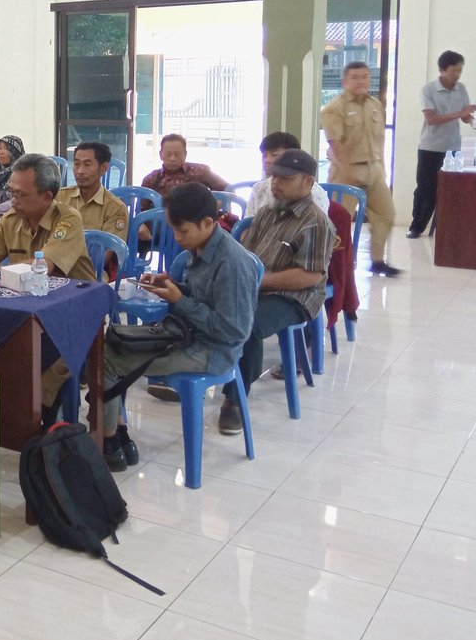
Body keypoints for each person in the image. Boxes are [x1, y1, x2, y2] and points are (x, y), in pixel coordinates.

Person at [100, 183, 257, 470]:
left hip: (213, 350)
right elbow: (203, 295)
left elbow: (234, 331)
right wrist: (173, 286)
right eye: (174, 229)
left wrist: (179, 300)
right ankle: (118, 434)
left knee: (108, 360)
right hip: (189, 334)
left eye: (182, 231)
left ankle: (108, 441)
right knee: (112, 342)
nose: (177, 237)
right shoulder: (203, 246)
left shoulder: (232, 263)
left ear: (208, 223)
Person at [220, 149, 335, 433]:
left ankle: (234, 401)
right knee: (199, 301)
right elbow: (247, 254)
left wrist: (260, 281)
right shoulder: (268, 213)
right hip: (257, 287)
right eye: (274, 177)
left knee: (246, 322)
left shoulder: (316, 223)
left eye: (285, 178)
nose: (276, 184)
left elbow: (308, 277)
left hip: (294, 298)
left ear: (308, 182)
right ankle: (191, 372)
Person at [0, 153, 96, 424]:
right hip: (28, 314)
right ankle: (9, 425)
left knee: (44, 368)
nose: (13, 200)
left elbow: (42, 266)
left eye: (22, 194)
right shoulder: (11, 220)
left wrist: (4, 274)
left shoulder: (68, 220)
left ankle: (48, 433)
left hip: (73, 315)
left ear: (47, 197)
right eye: (12, 192)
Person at [321, 62, 399, 276]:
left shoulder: (375, 105)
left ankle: (377, 261)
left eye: (365, 76)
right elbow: (335, 145)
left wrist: (381, 169)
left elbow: (380, 141)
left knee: (386, 215)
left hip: (374, 170)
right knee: (339, 221)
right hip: (346, 172)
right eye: (355, 77)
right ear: (345, 82)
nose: (361, 81)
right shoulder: (333, 109)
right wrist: (348, 174)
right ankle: (331, 265)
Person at [408, 51, 476, 238]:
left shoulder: (461, 89)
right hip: (430, 148)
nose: (458, 74)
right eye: (454, 70)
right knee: (426, 190)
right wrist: (462, 113)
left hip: (453, 149)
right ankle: (416, 227)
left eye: (460, 70)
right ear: (442, 70)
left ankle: (449, 229)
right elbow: (431, 119)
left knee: (452, 189)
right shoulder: (428, 90)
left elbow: (465, 117)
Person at [55, 141, 129, 277]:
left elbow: (106, 254)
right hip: (55, 266)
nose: (80, 171)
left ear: (103, 168)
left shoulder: (115, 208)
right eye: (76, 164)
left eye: (87, 165)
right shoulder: (60, 197)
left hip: (92, 272)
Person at [247, 131, 330, 216]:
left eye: (274, 155)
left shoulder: (315, 194)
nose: (267, 160)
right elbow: (247, 224)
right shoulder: (258, 188)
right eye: (264, 156)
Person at [140, 133, 229, 198]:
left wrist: (214, 206)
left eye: (177, 154)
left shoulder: (201, 171)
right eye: (168, 154)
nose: (172, 158)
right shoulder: (151, 179)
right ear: (160, 155)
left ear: (185, 155)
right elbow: (143, 209)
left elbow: (226, 188)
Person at [0, 134, 25, 218]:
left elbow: (18, 201)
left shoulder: (23, 174)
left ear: (15, 152)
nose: (0, 152)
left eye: (6, 149)